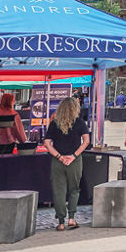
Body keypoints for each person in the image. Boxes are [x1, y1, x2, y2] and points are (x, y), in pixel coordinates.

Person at [44, 97, 90, 231]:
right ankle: (71, 218)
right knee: (74, 190)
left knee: (59, 192)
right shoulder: (80, 123)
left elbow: (47, 143)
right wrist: (73, 156)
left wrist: (59, 156)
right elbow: (86, 141)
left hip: (57, 162)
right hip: (74, 161)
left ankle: (61, 222)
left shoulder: (54, 123)